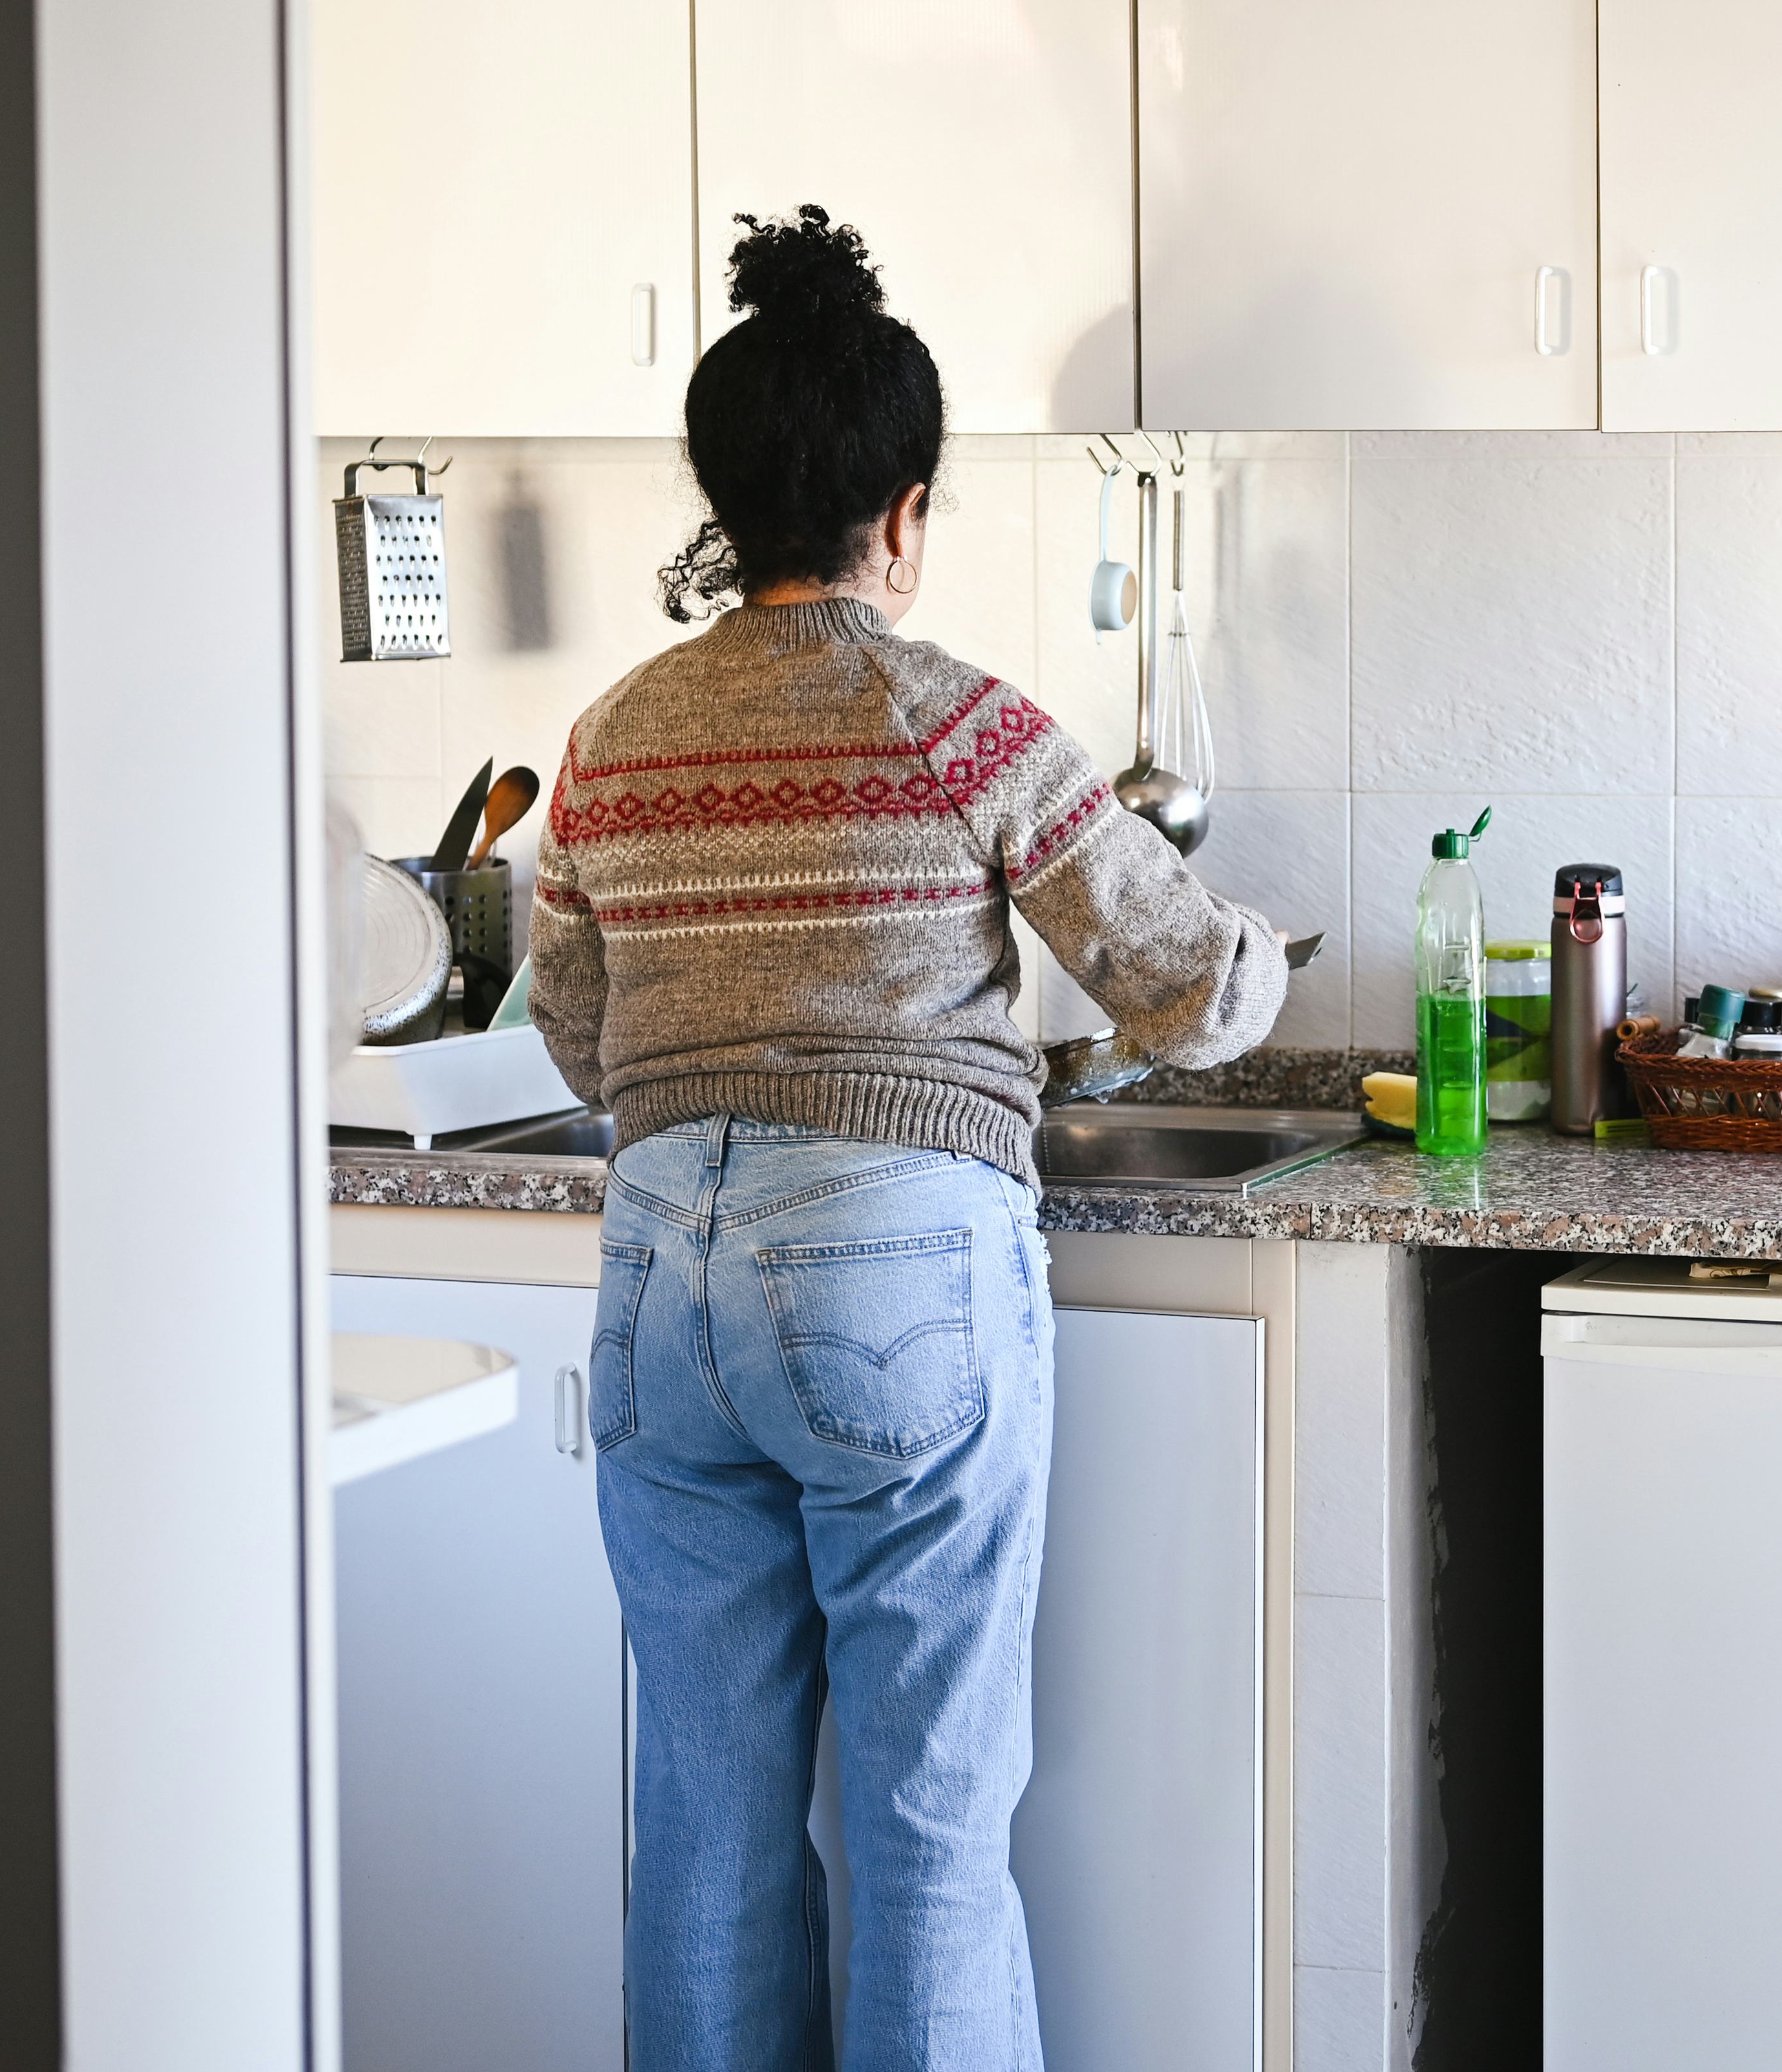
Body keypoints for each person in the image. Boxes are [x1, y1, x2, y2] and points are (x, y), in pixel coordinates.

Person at [531, 206, 1286, 2071]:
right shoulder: (960, 723)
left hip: (654, 1269)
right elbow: (1179, 982)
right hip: (889, 1265)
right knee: (926, 1815)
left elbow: (572, 1013)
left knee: (704, 1813)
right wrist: (1259, 966)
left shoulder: (613, 738)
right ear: (907, 508)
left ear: (720, 492)